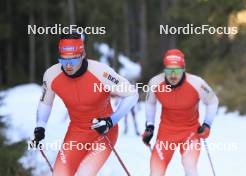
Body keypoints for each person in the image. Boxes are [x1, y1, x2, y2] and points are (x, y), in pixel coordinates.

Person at [32, 33, 138, 176]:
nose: (68, 65)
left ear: (82, 54)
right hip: (76, 132)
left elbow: (132, 94)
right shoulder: (51, 75)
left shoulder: (101, 72)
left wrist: (111, 121)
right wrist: (40, 126)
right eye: (63, 59)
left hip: (104, 131)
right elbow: (45, 102)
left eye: (73, 59)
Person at [142, 49, 219, 176]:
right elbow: (150, 102)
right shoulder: (155, 83)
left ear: (183, 69)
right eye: (168, 70)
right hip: (166, 132)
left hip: (190, 131)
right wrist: (150, 126)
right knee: (156, 170)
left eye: (177, 70)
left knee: (189, 165)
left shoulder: (197, 83)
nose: (172, 75)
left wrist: (207, 125)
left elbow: (213, 101)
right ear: (164, 70)